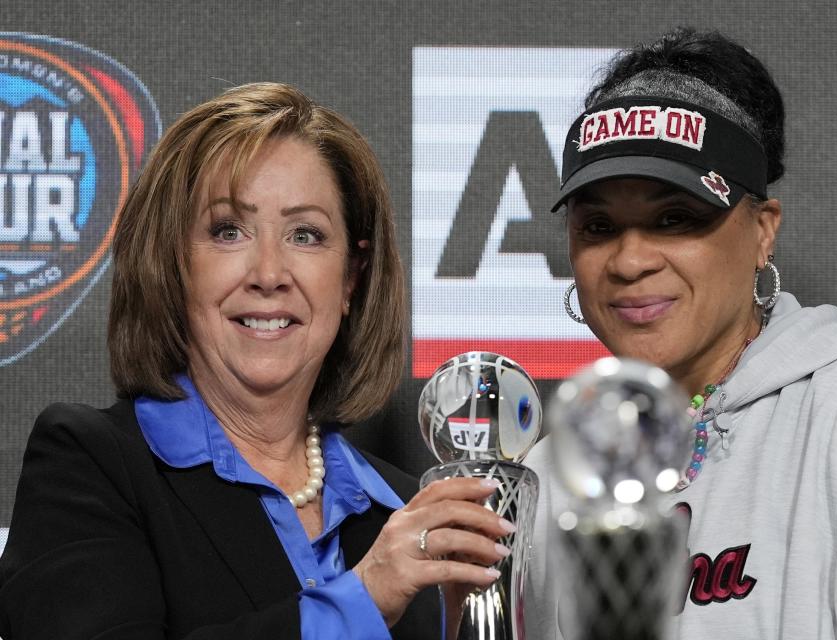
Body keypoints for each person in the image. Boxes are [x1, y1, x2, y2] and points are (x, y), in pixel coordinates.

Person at [0, 82, 514, 639]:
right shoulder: (89, 465)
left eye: (306, 235)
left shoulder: (406, 510)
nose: (269, 273)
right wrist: (362, 600)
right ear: (172, 267)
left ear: (350, 280)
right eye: (228, 232)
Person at [523, 28, 837, 639]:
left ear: (762, 231)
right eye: (598, 226)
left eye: (675, 218)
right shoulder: (548, 475)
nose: (628, 261)